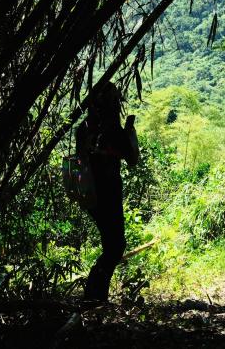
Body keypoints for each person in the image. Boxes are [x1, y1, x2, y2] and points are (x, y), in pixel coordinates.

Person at [76, 82, 139, 301]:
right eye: (112, 100)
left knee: (113, 244)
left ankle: (95, 294)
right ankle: (94, 293)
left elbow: (131, 158)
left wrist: (128, 134)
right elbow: (132, 158)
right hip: (104, 191)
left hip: (94, 193)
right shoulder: (101, 129)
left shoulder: (85, 129)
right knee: (115, 244)